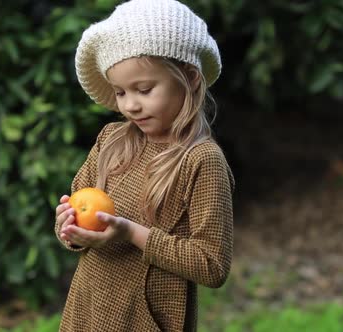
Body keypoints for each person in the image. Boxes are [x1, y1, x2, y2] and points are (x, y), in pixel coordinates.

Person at [54, 0, 235, 331]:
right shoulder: (111, 140)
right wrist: (69, 228)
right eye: (121, 92)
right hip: (89, 306)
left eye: (145, 89)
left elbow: (212, 265)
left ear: (191, 78)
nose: (131, 105)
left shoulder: (201, 160)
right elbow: (79, 208)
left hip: (148, 317)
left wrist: (131, 233)